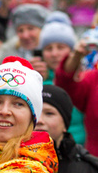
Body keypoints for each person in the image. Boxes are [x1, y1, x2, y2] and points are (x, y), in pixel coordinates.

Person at [35, 11, 85, 144]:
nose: (54, 53)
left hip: (81, 149)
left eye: (60, 47)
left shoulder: (83, 79)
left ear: (72, 50)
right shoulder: (36, 79)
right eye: (48, 48)